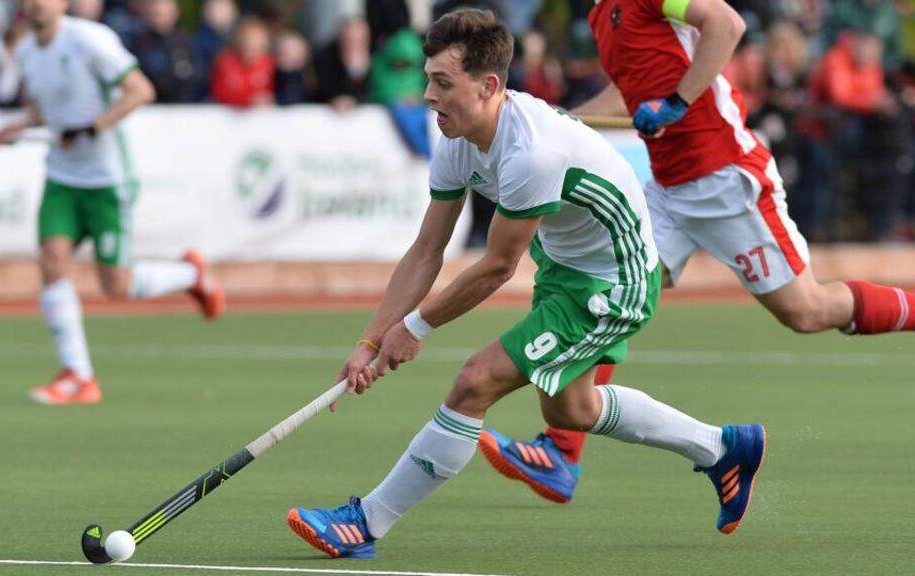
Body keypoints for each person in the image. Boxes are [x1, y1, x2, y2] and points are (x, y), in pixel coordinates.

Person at [285, 9, 765, 560]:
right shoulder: (457, 139)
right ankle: (723, 447)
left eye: (443, 82)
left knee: (474, 383)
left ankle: (366, 523)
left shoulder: (531, 152)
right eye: (428, 80)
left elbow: (497, 266)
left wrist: (413, 328)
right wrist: (370, 339)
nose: (429, 95)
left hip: (614, 278)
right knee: (570, 410)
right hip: (564, 265)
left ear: (489, 85)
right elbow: (426, 251)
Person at [483, 0, 915, 508]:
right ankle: (560, 453)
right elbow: (627, 92)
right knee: (616, 286)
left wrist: (678, 101)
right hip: (667, 189)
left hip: (724, 177)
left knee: (807, 310)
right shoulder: (602, 15)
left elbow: (726, 25)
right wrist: (566, 122)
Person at [0, 0, 225, 405]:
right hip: (62, 178)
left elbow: (140, 90)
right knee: (52, 261)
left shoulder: (90, 40)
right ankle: (78, 376)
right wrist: (21, 125)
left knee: (115, 285)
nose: (36, 4)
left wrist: (92, 128)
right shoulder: (27, 51)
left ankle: (190, 275)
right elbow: (44, 109)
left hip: (106, 179)